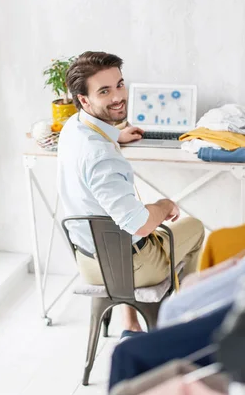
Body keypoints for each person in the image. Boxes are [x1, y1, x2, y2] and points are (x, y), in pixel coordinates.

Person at [57, 51, 205, 335]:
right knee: (193, 227)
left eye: (119, 85)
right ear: (84, 100)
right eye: (105, 91)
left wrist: (117, 134)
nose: (118, 96)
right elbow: (140, 224)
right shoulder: (100, 155)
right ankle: (181, 319)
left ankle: (130, 323)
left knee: (121, 218)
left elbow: (96, 152)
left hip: (88, 259)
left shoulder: (73, 127)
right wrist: (164, 204)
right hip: (128, 268)